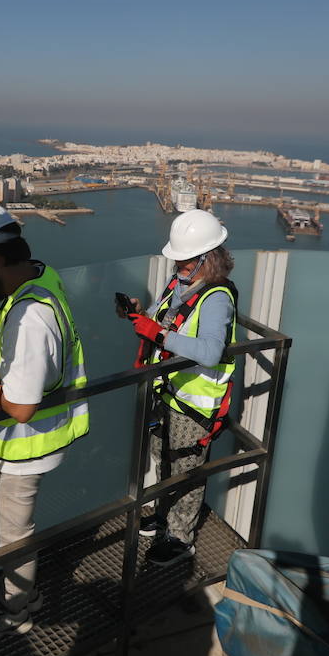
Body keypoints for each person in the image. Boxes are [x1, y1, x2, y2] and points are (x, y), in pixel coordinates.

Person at [0, 201, 89, 642]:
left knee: (14, 536)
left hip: (21, 444)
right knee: (3, 528)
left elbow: (21, 406)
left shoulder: (31, 319)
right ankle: (15, 579)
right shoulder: (38, 278)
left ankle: (17, 608)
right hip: (16, 445)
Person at [122, 209, 238, 567]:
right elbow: (161, 319)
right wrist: (142, 314)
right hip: (168, 392)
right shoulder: (180, 284)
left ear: (209, 259)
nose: (179, 268)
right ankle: (163, 514)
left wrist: (156, 333)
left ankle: (180, 536)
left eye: (185, 263)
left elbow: (209, 351)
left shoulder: (216, 297)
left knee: (187, 468)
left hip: (193, 403)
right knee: (163, 457)